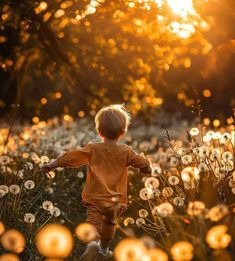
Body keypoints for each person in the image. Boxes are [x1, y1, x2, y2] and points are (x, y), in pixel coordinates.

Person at [42, 104, 151, 260]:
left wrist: (53, 164)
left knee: (92, 223)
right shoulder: (126, 151)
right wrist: (147, 169)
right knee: (109, 225)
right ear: (123, 132)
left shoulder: (93, 149)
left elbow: (72, 157)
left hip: (95, 197)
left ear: (99, 131)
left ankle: (92, 245)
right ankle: (103, 249)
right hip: (115, 201)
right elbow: (142, 162)